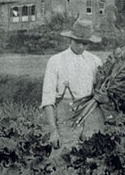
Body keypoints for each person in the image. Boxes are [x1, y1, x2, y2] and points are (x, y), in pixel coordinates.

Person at [41, 18, 104, 151]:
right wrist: (53, 131)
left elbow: (103, 95)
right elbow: (48, 99)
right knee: (66, 158)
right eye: (78, 42)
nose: (81, 47)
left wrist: (103, 97)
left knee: (94, 158)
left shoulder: (95, 61)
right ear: (71, 39)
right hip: (66, 118)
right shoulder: (56, 61)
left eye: (85, 44)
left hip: (92, 117)